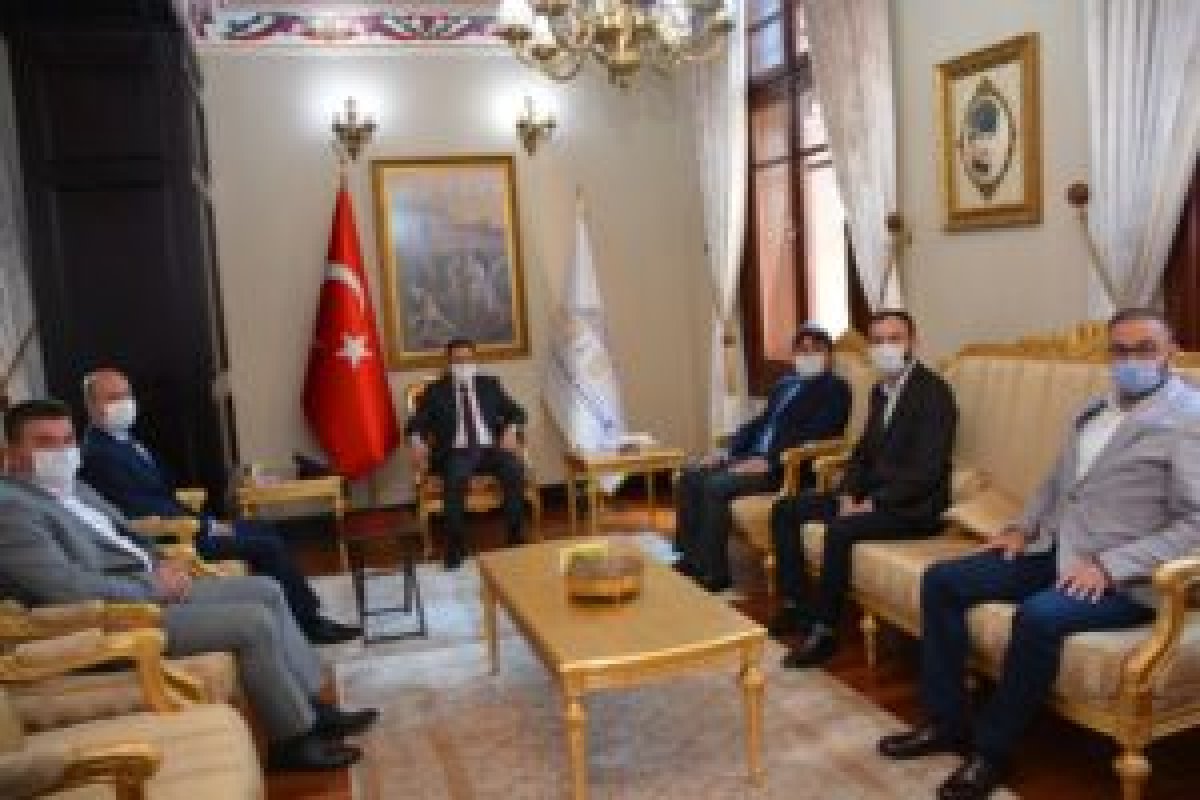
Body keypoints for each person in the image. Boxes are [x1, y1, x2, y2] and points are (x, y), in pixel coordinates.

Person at [878, 309, 1200, 800]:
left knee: (1038, 616)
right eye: (1120, 350)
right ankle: (945, 723)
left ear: (1169, 352)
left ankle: (991, 751)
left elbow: (1194, 523)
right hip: (1056, 548)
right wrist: (1021, 528)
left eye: (1145, 349)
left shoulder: (1189, 420)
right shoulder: (1093, 410)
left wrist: (1110, 566)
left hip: (1127, 578)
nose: (1131, 360)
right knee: (943, 580)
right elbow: (1055, 482)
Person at [0, 400, 378, 772]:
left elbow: (127, 536)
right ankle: (292, 741)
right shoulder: (12, 510)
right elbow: (66, 588)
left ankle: (310, 707)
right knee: (252, 622)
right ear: (12, 454)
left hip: (146, 587)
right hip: (111, 620)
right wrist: (152, 588)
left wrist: (163, 561)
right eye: (45, 442)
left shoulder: (75, 488)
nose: (62, 452)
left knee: (267, 589)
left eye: (67, 440)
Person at [77, 368, 359, 646]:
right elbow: (142, 509)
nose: (124, 403)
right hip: (172, 540)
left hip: (187, 524)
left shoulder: (124, 441)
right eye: (113, 397)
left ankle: (296, 611)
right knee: (266, 545)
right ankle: (309, 624)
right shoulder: (99, 454)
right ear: (92, 405)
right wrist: (207, 526)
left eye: (127, 394)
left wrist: (208, 522)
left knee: (263, 528)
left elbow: (163, 495)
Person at [769, 309, 957, 667]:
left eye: (894, 339)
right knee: (786, 510)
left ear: (913, 343)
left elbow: (927, 471)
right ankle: (796, 606)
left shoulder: (934, 394)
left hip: (913, 508)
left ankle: (825, 632)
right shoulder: (879, 391)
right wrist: (846, 494)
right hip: (869, 497)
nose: (886, 347)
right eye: (878, 340)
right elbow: (862, 454)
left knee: (840, 530)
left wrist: (873, 504)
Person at [674, 324, 851, 592]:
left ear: (829, 355)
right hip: (753, 456)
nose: (809, 355)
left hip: (786, 467)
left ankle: (713, 573)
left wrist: (770, 461)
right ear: (794, 355)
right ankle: (690, 559)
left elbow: (819, 433)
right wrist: (726, 453)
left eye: (816, 349)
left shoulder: (836, 389)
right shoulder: (784, 385)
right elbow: (759, 423)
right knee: (689, 475)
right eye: (802, 350)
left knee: (715, 486)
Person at [404, 338, 528, 569]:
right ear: (449, 362)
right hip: (456, 451)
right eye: (458, 360)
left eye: (468, 359)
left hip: (489, 449)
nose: (463, 364)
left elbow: (517, 412)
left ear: (475, 360)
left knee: (514, 468)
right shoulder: (435, 391)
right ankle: (455, 545)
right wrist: (417, 441)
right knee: (456, 475)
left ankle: (515, 537)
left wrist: (511, 430)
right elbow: (416, 422)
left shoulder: (489, 384)